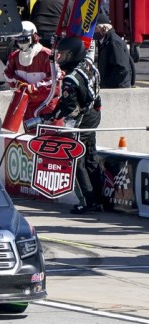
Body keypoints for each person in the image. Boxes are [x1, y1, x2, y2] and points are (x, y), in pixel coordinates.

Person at [46, 36, 103, 214]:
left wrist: (51, 116)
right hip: (94, 113)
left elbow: (68, 105)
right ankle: (100, 199)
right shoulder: (89, 64)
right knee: (91, 158)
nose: (59, 58)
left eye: (63, 55)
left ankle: (88, 201)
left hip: (81, 119)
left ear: (73, 55)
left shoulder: (71, 79)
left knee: (76, 160)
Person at [3, 21, 63, 130]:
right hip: (28, 104)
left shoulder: (47, 55)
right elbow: (7, 74)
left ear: (34, 38)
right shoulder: (14, 57)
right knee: (29, 139)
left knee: (51, 137)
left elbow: (56, 77)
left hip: (48, 104)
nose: (21, 44)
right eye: (18, 41)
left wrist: (35, 86)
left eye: (24, 40)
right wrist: (19, 83)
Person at [94, 14, 134, 88]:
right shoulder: (104, 41)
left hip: (118, 88)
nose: (93, 31)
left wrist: (107, 84)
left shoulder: (114, 42)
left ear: (104, 28)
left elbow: (121, 69)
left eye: (95, 28)